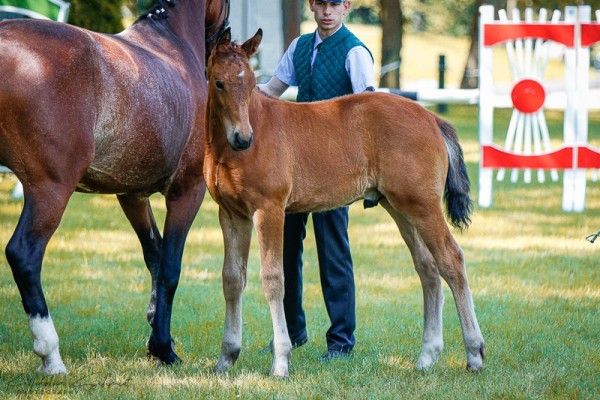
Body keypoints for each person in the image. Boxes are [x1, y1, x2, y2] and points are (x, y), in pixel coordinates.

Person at [258, 0, 375, 362]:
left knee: (333, 251)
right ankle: (292, 331)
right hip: (292, 165)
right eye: (321, 3)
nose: (327, 11)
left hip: (333, 167)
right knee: (285, 249)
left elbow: (368, 109)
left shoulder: (355, 51)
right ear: (311, 6)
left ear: (347, 7)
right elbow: (272, 91)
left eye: (334, 5)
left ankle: (341, 341)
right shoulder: (299, 47)